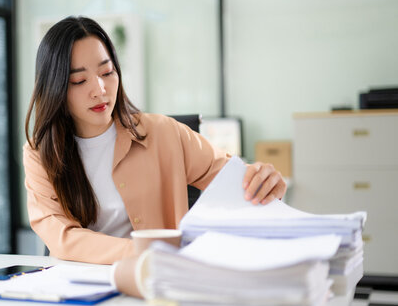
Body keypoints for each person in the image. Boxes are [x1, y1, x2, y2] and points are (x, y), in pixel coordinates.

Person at [24, 16, 286, 264]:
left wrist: (262, 181)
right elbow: (62, 238)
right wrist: (144, 251)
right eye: (79, 81)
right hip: (78, 291)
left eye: (107, 73)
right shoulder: (40, 154)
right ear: (55, 87)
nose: (100, 90)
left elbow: (235, 182)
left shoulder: (164, 133)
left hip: (159, 283)